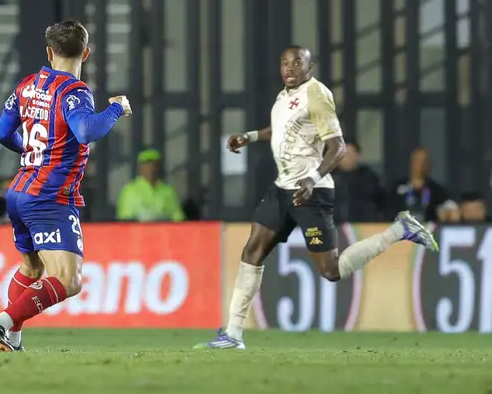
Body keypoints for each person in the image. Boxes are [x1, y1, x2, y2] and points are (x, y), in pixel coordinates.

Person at [197, 46, 437, 351]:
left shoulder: (317, 95)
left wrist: (312, 178)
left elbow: (338, 147)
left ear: (309, 67)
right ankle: (233, 334)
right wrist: (250, 136)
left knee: (331, 270)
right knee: (252, 251)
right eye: (285, 62)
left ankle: (399, 230)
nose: (289, 67)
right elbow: (280, 129)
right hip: (282, 189)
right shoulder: (284, 96)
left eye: (297, 62)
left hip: (311, 191)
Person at [0, 20, 131, 352]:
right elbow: (86, 131)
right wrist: (117, 108)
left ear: (48, 52)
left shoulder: (27, 85)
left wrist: (31, 152)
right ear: (86, 53)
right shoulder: (75, 91)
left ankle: (12, 339)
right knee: (69, 280)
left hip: (19, 192)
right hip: (50, 196)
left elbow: (2, 133)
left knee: (31, 267)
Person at [116, 148, 185, 222]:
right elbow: (125, 222)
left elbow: (178, 219)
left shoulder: (168, 191)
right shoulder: (129, 191)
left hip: (164, 229)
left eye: (154, 164)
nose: (150, 167)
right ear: (140, 167)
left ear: (159, 167)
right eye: (146, 163)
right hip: (138, 229)